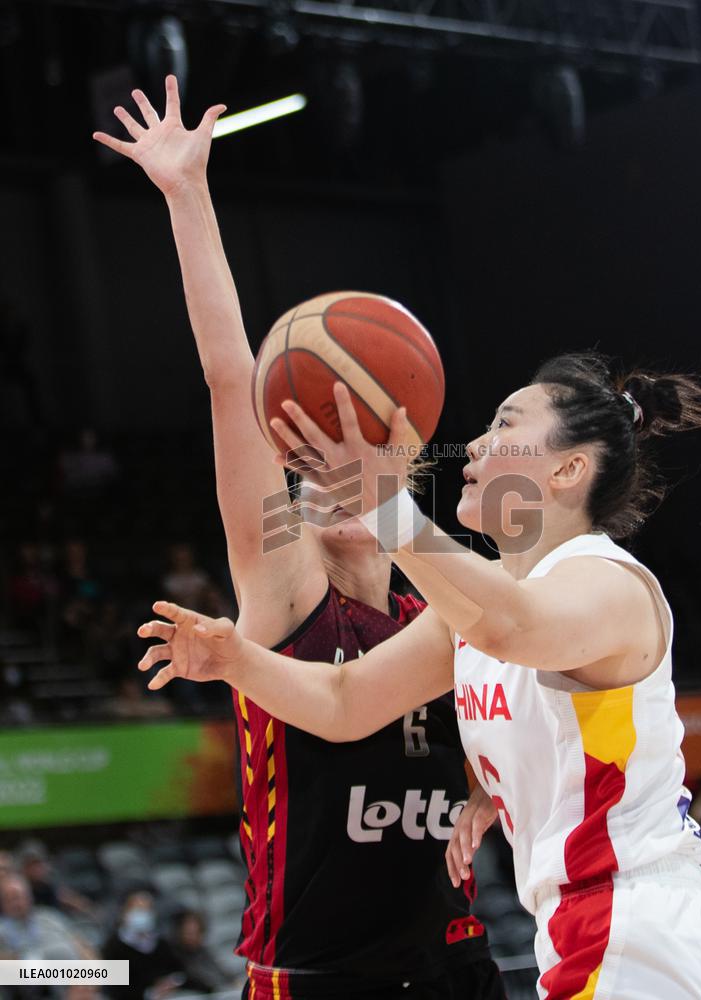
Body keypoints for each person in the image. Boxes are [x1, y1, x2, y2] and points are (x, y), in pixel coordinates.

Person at [138, 353, 701, 998]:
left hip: (644, 936)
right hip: (587, 931)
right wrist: (233, 661)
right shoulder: (478, 609)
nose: (474, 443)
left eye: (505, 424)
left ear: (567, 468)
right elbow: (345, 701)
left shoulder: (606, 580)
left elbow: (513, 627)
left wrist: (383, 505)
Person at [94, 77, 502, 999]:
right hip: (321, 976)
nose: (340, 478)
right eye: (315, 465)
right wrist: (187, 196)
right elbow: (229, 370)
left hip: (454, 961)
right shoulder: (286, 596)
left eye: (364, 463)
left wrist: (493, 787)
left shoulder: (446, 610)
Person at [101, 889, 184, 1000]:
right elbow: (113, 986)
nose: (142, 914)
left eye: (146, 909)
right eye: (137, 909)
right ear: (125, 913)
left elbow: (178, 970)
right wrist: (149, 993)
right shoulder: (113, 946)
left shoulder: (161, 943)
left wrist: (172, 982)